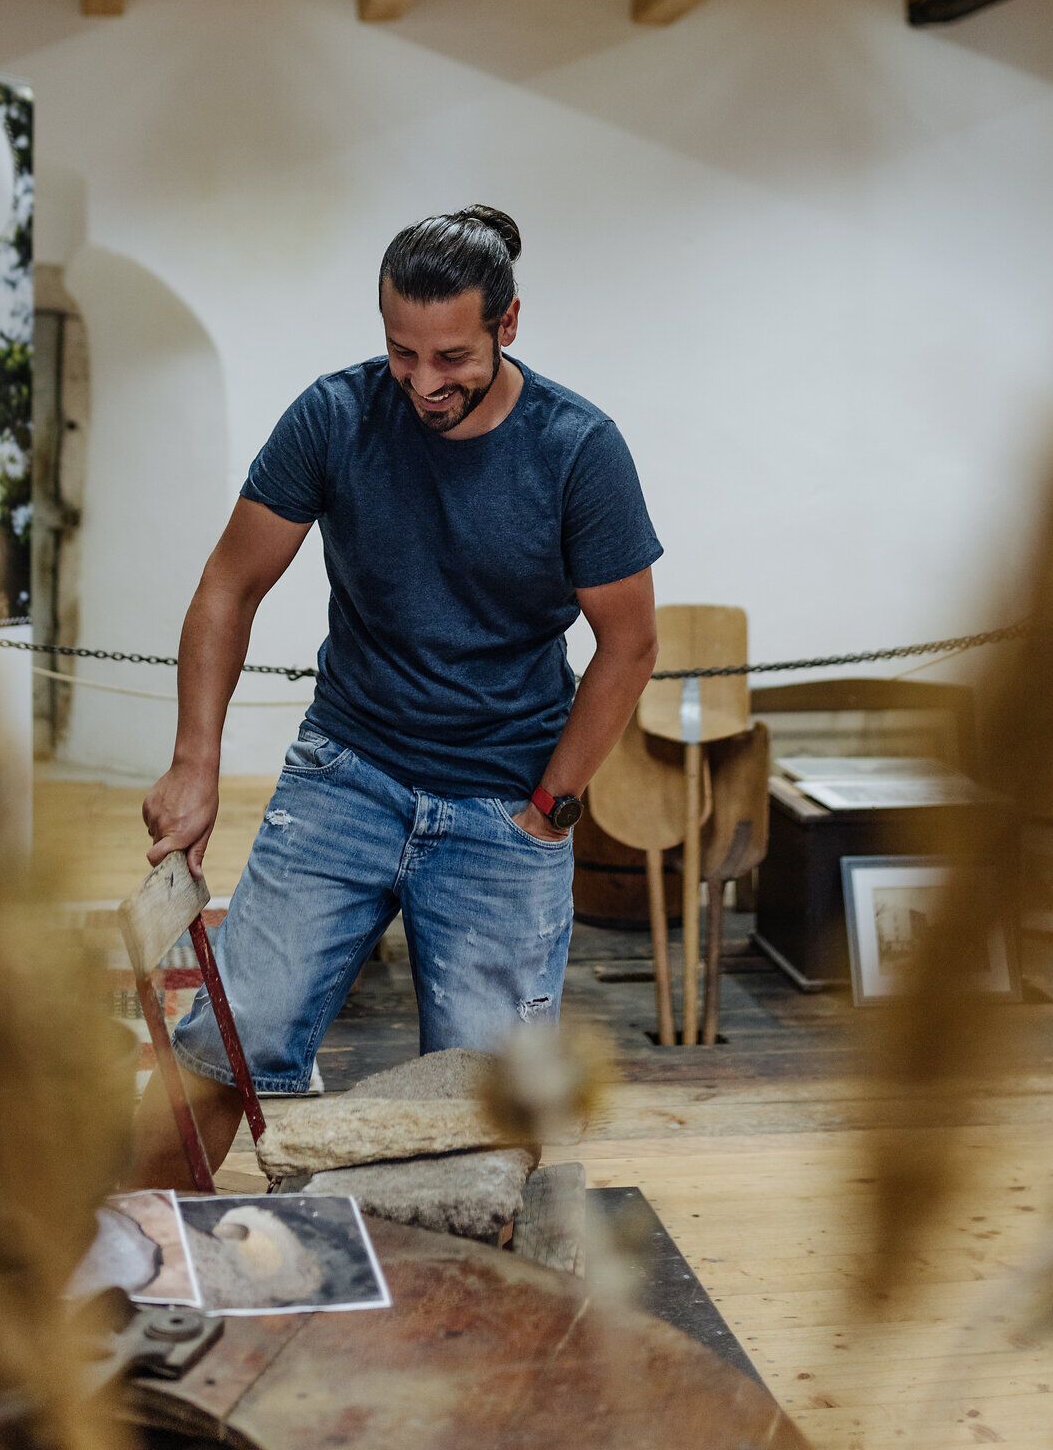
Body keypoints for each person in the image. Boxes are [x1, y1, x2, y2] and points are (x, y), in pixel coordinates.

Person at [130, 206, 661, 1185]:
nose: (423, 383)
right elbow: (229, 585)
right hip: (350, 774)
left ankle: (460, 1323)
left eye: (451, 356)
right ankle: (133, 1271)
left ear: (508, 325)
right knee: (225, 1040)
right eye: (400, 352)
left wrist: (552, 810)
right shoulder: (335, 417)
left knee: (489, 1104)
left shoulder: (579, 450)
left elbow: (628, 646)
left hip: (506, 808)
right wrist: (195, 761)